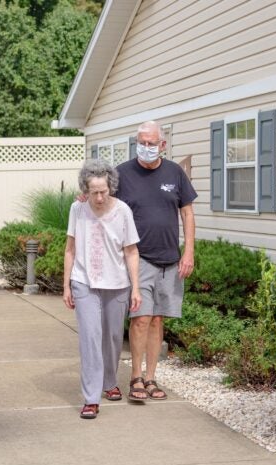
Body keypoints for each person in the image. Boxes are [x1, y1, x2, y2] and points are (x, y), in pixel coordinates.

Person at [116, 120, 197, 402]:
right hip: (139, 258)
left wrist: (188, 252)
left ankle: (151, 378)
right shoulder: (122, 174)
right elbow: (102, 200)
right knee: (141, 318)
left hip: (170, 260)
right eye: (142, 142)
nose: (146, 148)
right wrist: (86, 196)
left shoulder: (174, 172)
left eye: (152, 143)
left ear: (162, 145)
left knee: (158, 319)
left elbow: (187, 213)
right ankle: (135, 377)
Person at [63, 158, 142, 419]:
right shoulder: (77, 209)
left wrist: (136, 288)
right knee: (90, 338)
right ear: (85, 190)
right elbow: (70, 249)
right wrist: (66, 285)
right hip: (84, 281)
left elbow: (131, 251)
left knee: (111, 337)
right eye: (93, 192)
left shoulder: (123, 211)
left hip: (117, 283)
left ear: (111, 188)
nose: (98, 197)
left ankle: (110, 381)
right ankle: (91, 397)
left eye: (103, 192)